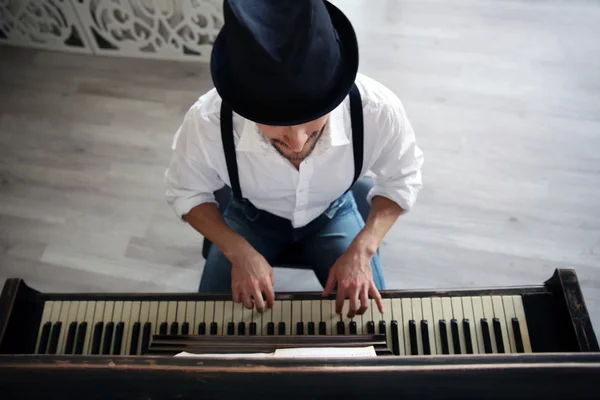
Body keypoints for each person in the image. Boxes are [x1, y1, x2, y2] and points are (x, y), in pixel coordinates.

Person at [165, 0, 424, 319]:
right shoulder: (206, 121)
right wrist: (237, 250)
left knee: (371, 323)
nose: (298, 141)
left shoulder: (377, 111)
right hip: (251, 216)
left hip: (333, 209)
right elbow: (186, 193)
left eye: (314, 118)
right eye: (276, 124)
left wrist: (363, 249)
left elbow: (402, 179)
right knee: (210, 326)